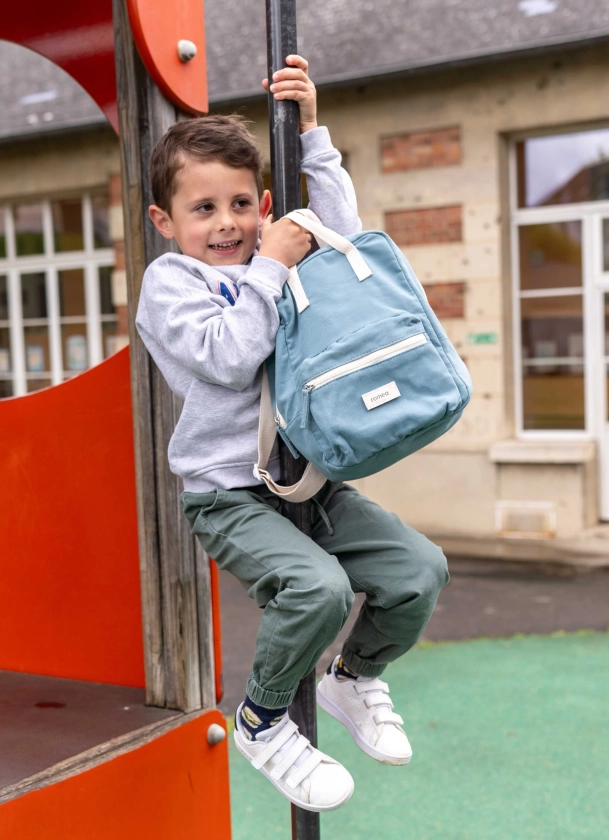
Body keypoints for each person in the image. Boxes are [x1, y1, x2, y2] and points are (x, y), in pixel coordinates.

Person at [136, 55, 449, 813]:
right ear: (165, 222)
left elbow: (340, 238)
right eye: (203, 208)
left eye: (241, 204)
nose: (227, 224)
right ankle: (263, 719)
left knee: (417, 571)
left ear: (263, 201)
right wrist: (271, 265)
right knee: (315, 589)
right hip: (230, 494)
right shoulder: (173, 285)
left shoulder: (276, 257)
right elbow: (227, 356)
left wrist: (312, 134)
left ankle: (352, 678)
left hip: (311, 479)